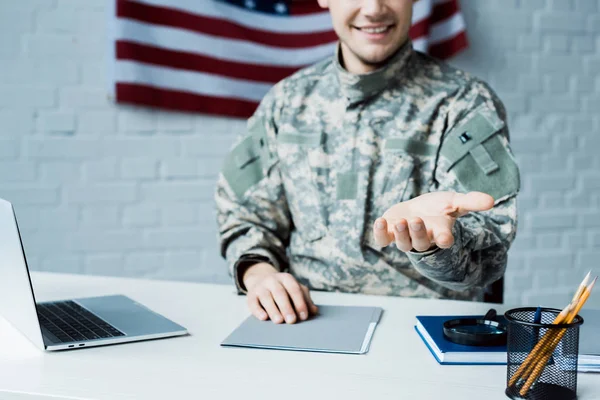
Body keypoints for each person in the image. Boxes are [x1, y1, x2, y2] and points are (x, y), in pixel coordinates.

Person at [215, 0, 520, 324]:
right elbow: (244, 214)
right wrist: (260, 275)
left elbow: (490, 254)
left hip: (424, 327)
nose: (374, 9)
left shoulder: (464, 103)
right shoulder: (286, 102)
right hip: (304, 320)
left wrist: (438, 246)